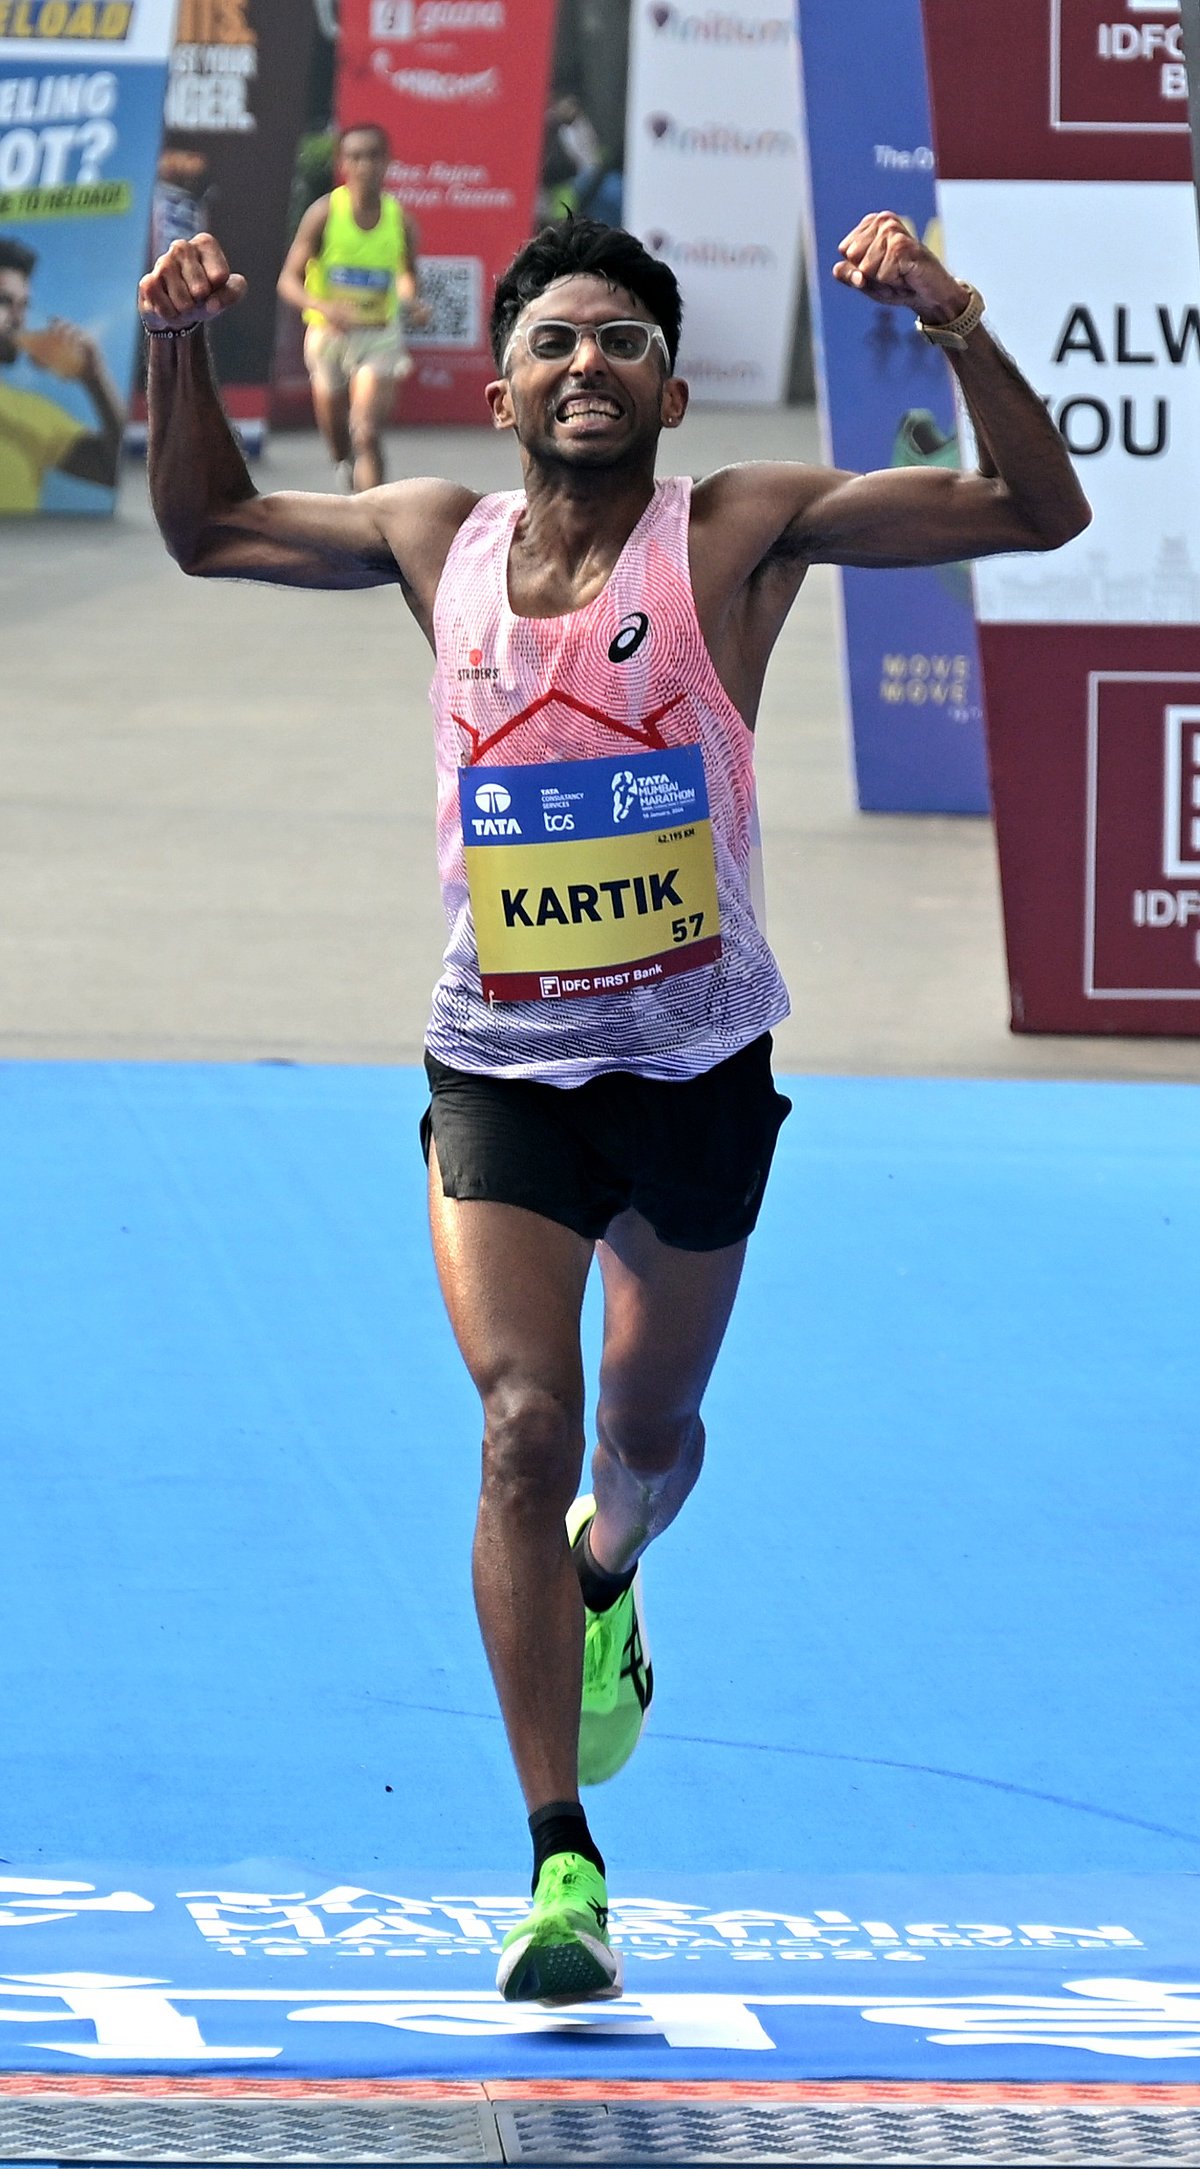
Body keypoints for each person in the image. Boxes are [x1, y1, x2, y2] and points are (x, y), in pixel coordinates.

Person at [138, 210, 1090, 2005]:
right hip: (500, 1064)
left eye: (624, 342)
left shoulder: (733, 531)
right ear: (500, 390)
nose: (588, 363)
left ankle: (611, 1569)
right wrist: (177, 344)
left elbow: (1035, 512)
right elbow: (205, 528)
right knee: (522, 1423)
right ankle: (560, 1858)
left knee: (645, 1440)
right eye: (554, 341)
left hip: (697, 1066)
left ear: (670, 387)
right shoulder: (436, 537)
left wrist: (955, 317)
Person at [277, 122, 428, 493]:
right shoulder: (324, 214)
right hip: (329, 335)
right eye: (356, 157)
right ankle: (343, 463)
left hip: (379, 336)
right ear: (342, 163)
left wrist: (411, 301)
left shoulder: (400, 219)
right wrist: (324, 307)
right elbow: (288, 281)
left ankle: (372, 511)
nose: (365, 166)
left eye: (374, 156)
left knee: (366, 431)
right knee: (339, 438)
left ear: (388, 161)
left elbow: (406, 275)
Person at [0, 236, 126, 514]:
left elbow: (119, 471)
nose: (19, 320)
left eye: (24, 305)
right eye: (4, 301)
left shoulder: (30, 413)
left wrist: (95, 379)